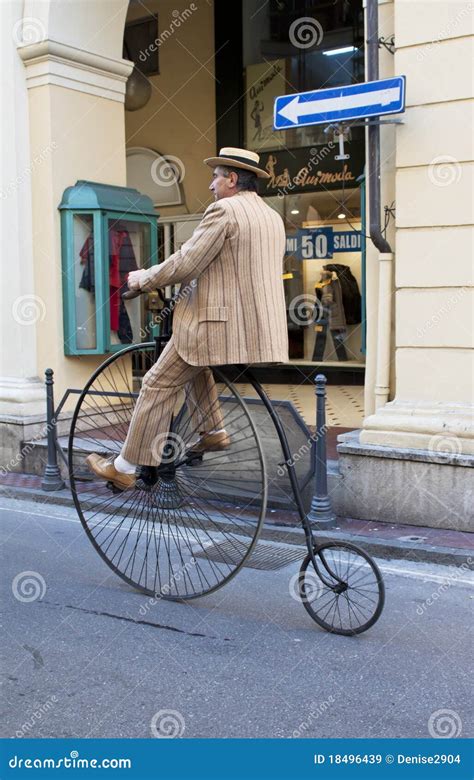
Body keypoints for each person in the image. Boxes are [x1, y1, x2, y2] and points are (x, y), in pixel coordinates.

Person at [86, 147, 289, 489]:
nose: (211, 185)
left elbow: (187, 261)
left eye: (215, 177)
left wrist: (143, 279)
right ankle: (213, 430)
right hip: (254, 331)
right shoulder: (271, 217)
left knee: (156, 383)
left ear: (232, 179)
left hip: (213, 324)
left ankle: (125, 465)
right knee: (196, 364)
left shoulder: (225, 210)